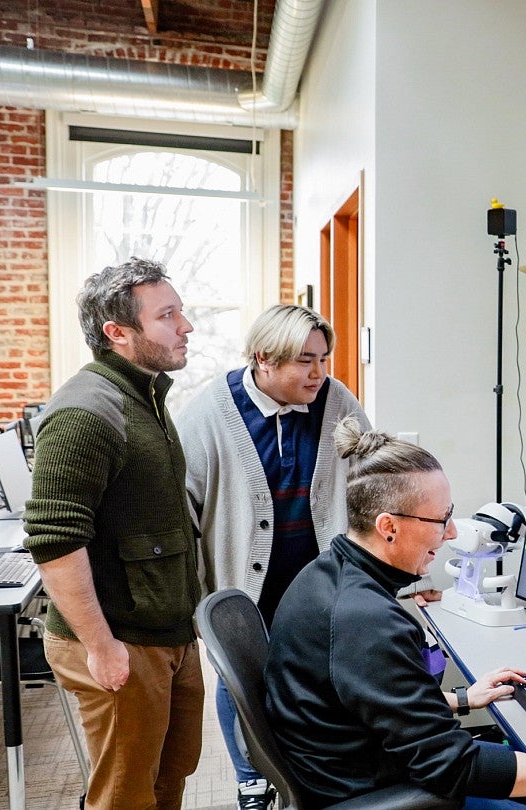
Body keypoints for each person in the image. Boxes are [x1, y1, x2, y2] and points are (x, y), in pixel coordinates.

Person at [265, 424, 526, 808]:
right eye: (441, 520)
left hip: (350, 765)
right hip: (377, 791)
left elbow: (361, 698)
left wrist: (460, 699)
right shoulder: (365, 621)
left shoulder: (329, 573)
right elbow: (453, 767)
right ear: (388, 526)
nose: (452, 534)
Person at [24, 257, 204, 810]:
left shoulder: (145, 395)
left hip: (165, 629)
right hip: (119, 640)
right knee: (124, 796)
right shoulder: (86, 409)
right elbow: (54, 540)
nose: (186, 325)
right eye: (168, 315)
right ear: (118, 333)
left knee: (167, 778)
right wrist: (102, 649)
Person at [178, 304, 370, 810]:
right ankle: (249, 775)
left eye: (324, 359)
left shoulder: (335, 401)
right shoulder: (210, 412)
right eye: (304, 361)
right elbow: (183, 513)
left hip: (318, 574)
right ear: (263, 358)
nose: (318, 373)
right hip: (246, 581)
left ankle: (316, 763)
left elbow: (373, 483)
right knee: (243, 676)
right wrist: (196, 600)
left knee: (321, 670)